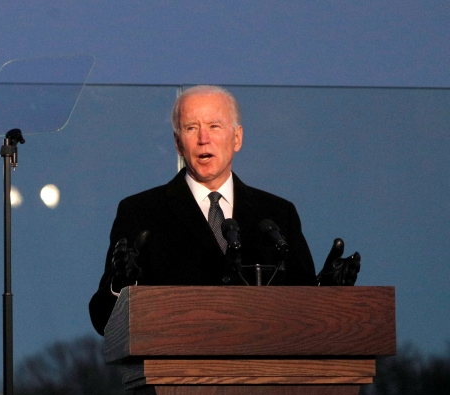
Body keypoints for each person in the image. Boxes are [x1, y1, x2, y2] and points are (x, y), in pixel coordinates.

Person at [88, 85, 360, 336]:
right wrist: (121, 286)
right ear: (178, 143)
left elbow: (303, 308)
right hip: (177, 368)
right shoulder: (141, 212)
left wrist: (328, 292)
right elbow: (103, 319)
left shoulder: (277, 214)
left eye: (214, 126)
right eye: (191, 128)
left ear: (237, 138)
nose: (203, 138)